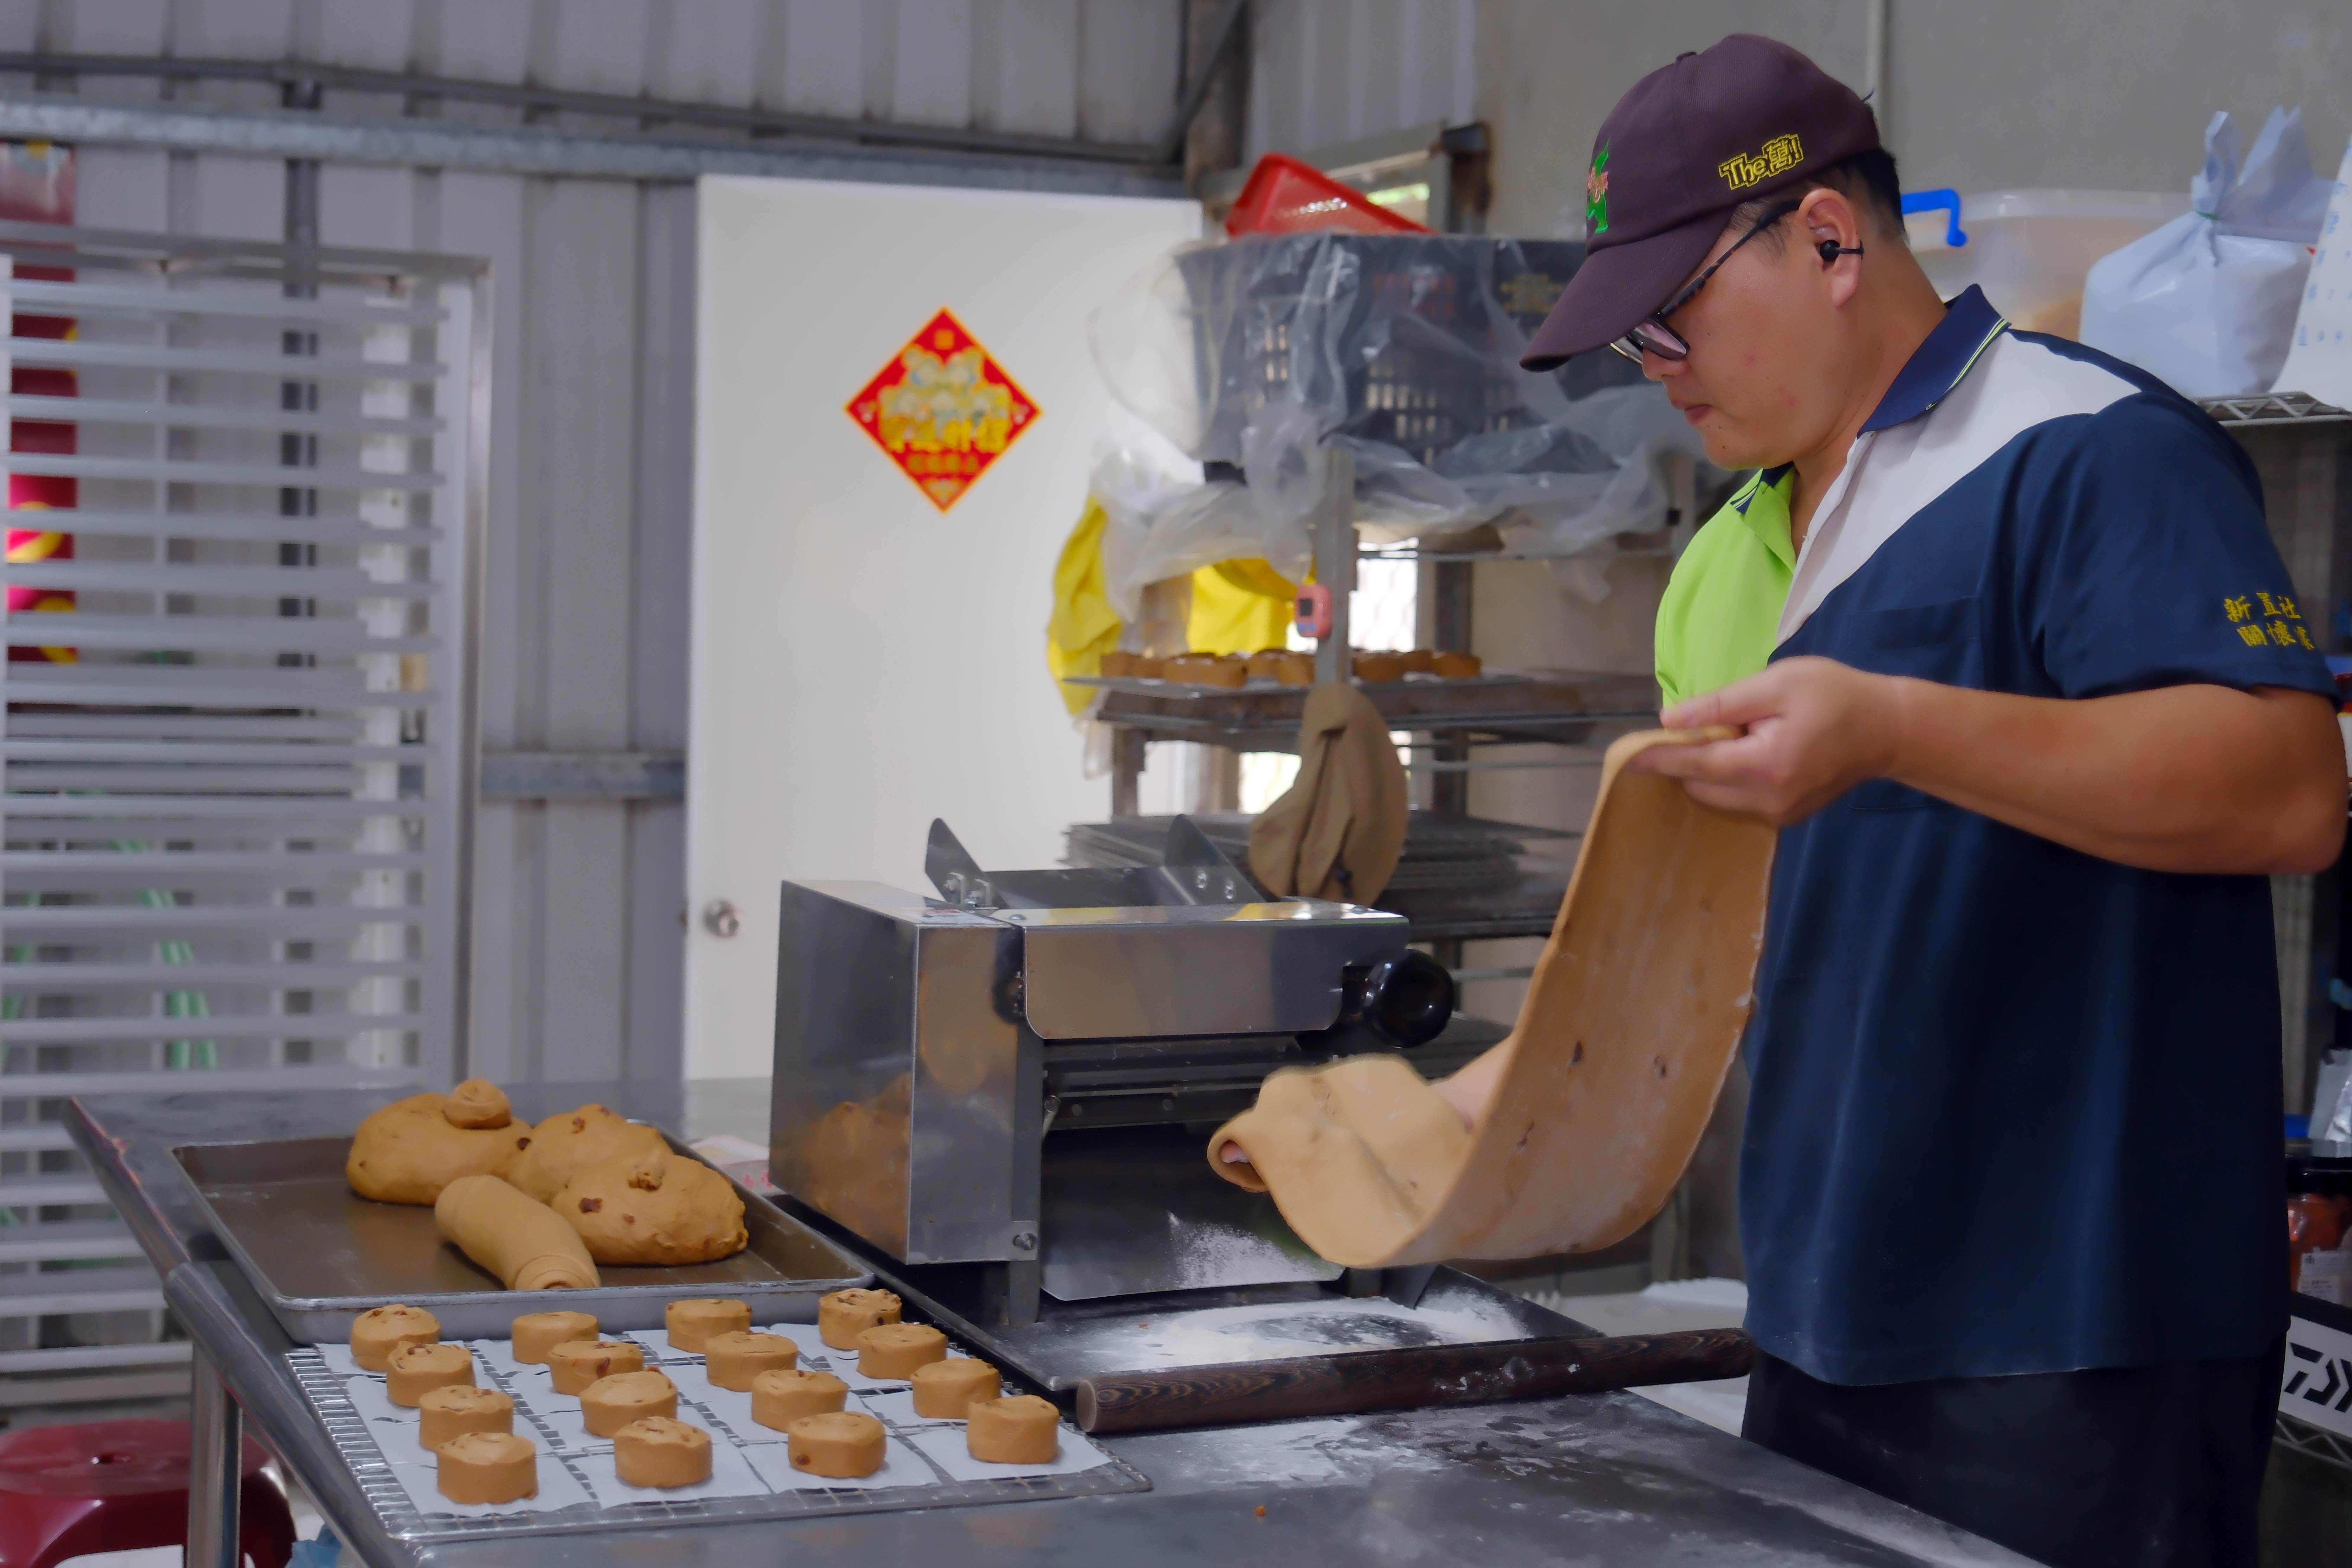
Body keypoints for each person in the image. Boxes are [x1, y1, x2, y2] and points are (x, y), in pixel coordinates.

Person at [1449, 34, 2346, 1568]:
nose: (1656, 378)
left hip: (2069, 1323)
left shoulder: (2090, 454)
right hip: (1824, 1297)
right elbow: (1752, 929)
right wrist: (1476, 1109)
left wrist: (1894, 725)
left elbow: (2285, 786)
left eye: (1672, 324)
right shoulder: (1759, 538)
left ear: (1827, 236)